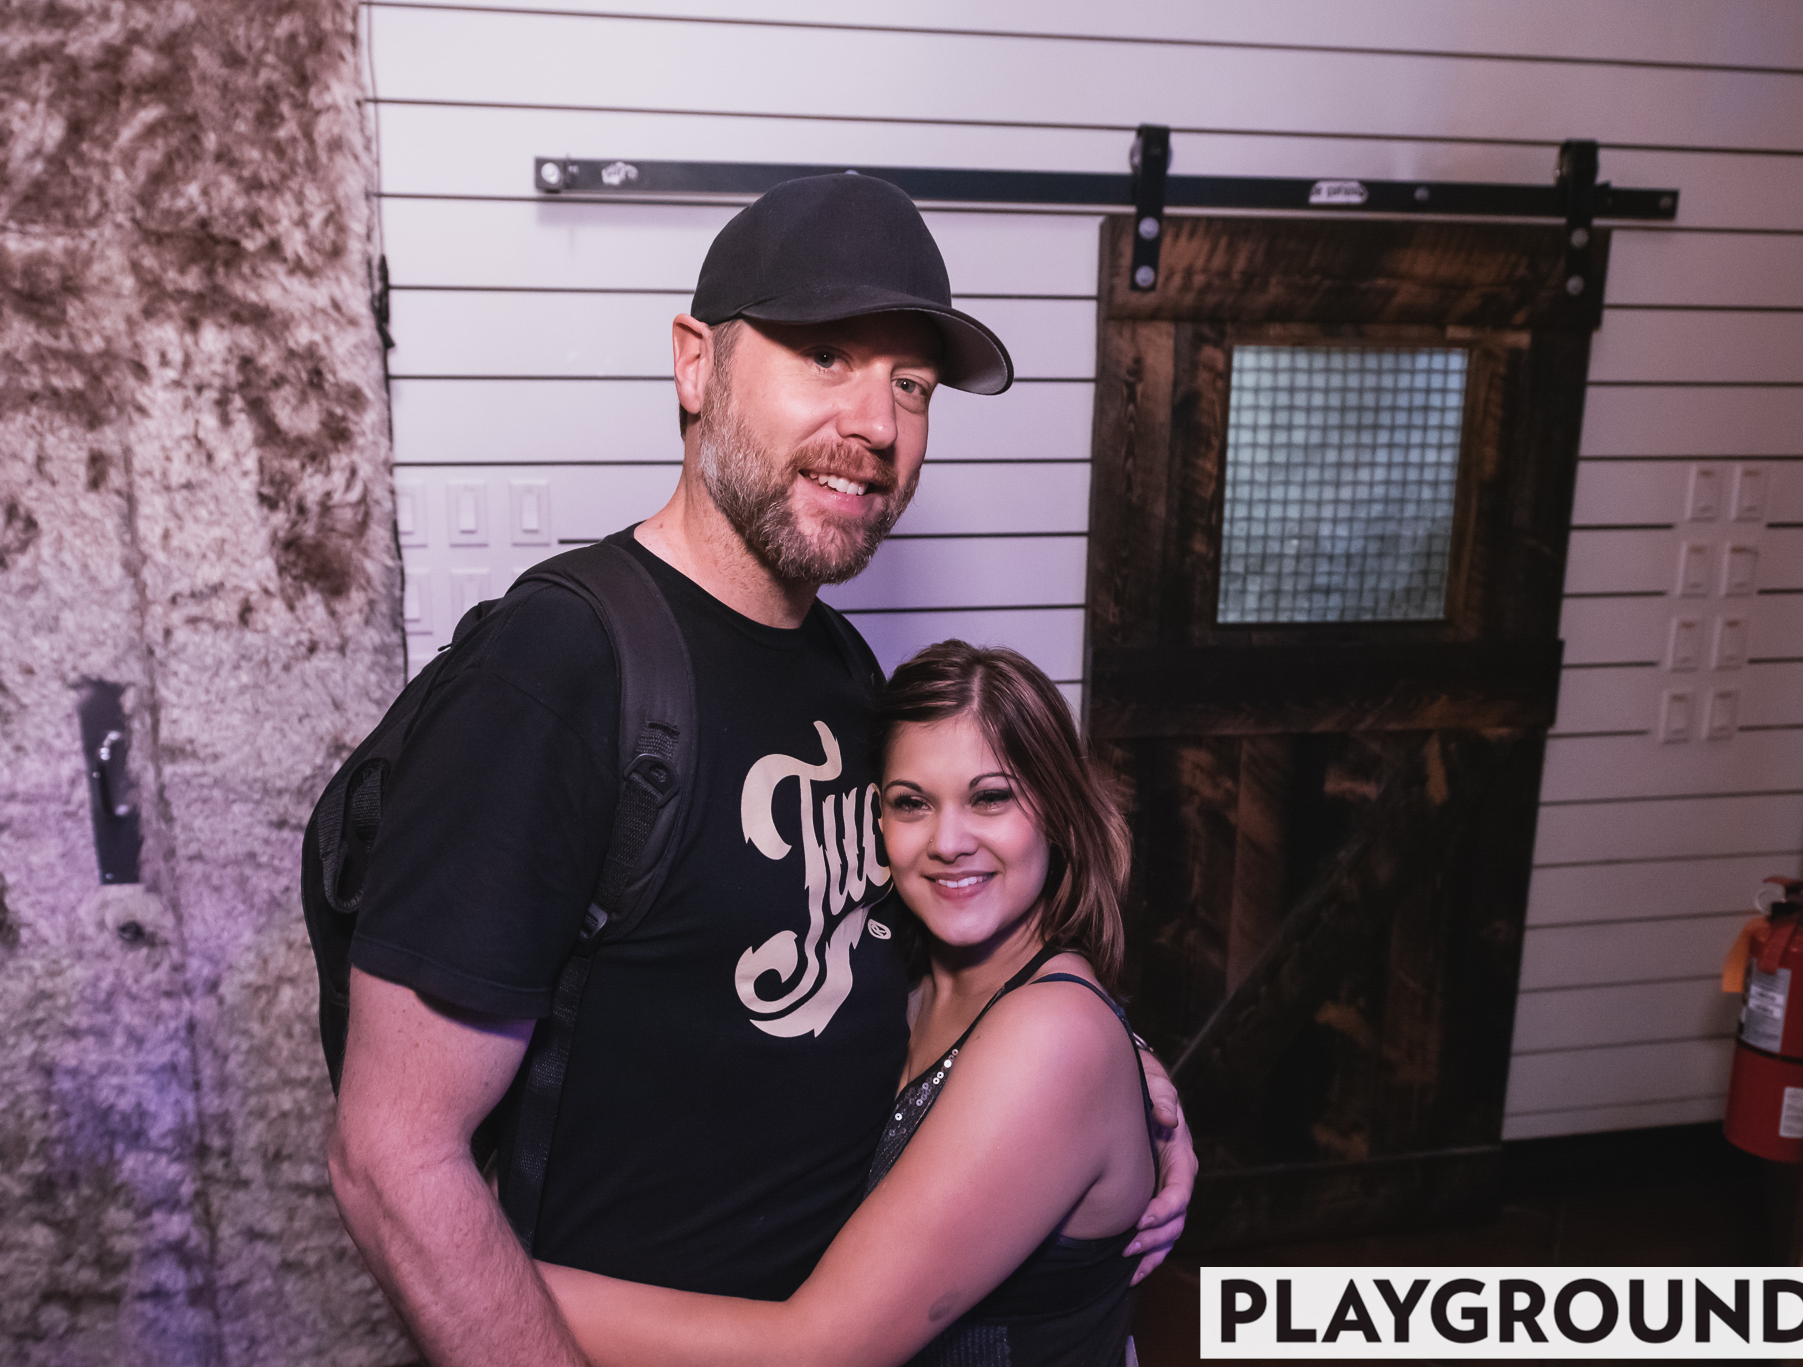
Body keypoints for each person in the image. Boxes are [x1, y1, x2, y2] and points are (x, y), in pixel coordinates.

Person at [327, 173, 1196, 1367]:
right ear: (696, 366)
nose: (877, 424)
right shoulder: (562, 668)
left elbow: (910, 954)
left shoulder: (840, 670)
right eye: (825, 355)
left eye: (910, 385)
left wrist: (1114, 1081)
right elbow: (391, 1160)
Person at [542, 641, 1161, 1366]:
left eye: (990, 797)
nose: (949, 842)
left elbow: (819, 1352)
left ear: (1057, 811)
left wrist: (476, 1265)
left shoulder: (1053, 1034)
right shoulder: (891, 981)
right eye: (911, 803)